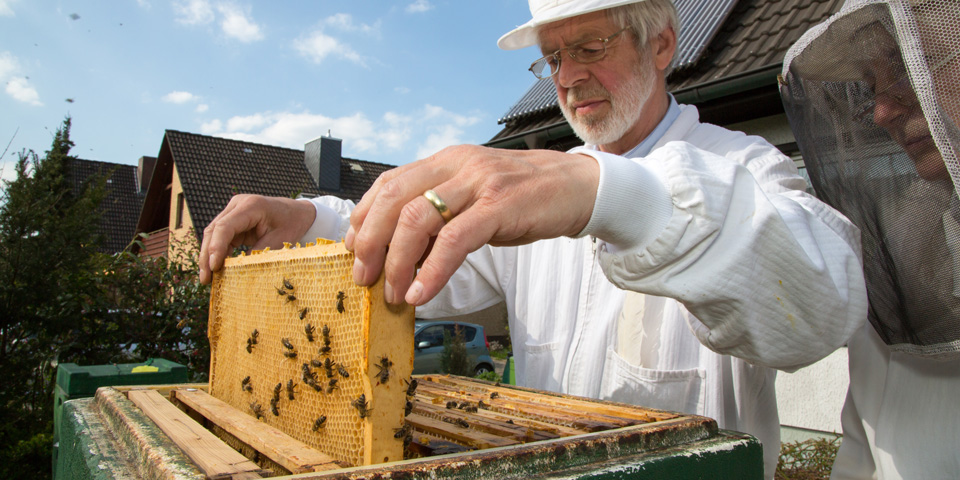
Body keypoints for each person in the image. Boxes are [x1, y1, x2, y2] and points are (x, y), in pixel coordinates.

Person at [201, 1, 868, 477]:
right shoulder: (523, 195)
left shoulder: (746, 167)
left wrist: (614, 197)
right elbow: (408, 246)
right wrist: (306, 220)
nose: (568, 77)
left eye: (590, 47)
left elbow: (821, 303)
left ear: (661, 45)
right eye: (553, 57)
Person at [780, 0, 960, 477]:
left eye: (905, 64)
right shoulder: (901, 272)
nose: (880, 111)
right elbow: (862, 461)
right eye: (870, 86)